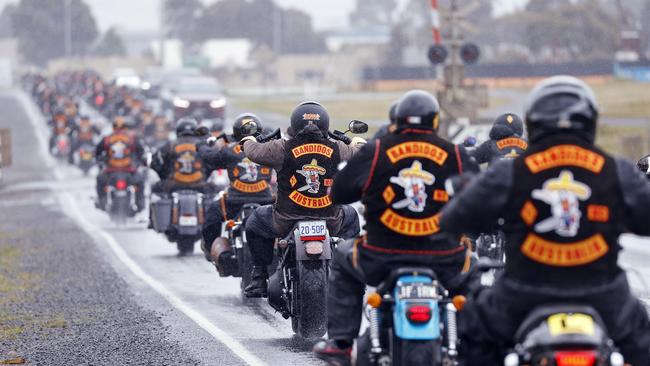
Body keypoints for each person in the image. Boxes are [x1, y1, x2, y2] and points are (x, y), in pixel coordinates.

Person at [439, 76, 650, 365]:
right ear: (590, 121)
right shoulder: (616, 169)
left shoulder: (511, 171)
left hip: (523, 292)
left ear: (535, 121)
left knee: (472, 338)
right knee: (642, 342)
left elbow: (453, 219)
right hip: (603, 293)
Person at [311, 90, 479, 365]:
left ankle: (341, 342)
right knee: (471, 266)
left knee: (342, 254)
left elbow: (339, 193)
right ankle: (473, 341)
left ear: (396, 121)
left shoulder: (377, 151)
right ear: (434, 121)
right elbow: (480, 199)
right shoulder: (455, 154)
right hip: (444, 259)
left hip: (380, 256)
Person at [240, 101, 364, 298]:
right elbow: (361, 154)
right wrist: (355, 141)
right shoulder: (339, 148)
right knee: (352, 216)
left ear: (295, 123)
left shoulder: (281, 148)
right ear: (325, 124)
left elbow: (253, 152)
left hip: (285, 220)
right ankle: (353, 274)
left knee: (254, 222)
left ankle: (259, 277)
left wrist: (247, 140)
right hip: (331, 221)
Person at [197, 113, 275, 269]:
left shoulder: (229, 150)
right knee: (284, 217)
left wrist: (202, 144)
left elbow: (208, 157)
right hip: (265, 201)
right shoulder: (270, 149)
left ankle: (211, 250)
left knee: (211, 217)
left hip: (234, 201)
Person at [150, 117, 215, 197]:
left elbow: (155, 162)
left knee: (153, 189)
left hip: (173, 185)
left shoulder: (169, 145)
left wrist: (165, 176)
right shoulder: (203, 146)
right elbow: (213, 163)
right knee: (219, 192)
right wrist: (204, 177)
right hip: (200, 185)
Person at [95, 116, 146, 210]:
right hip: (129, 171)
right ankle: (140, 204)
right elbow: (141, 152)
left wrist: (100, 163)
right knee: (140, 182)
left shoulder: (107, 139)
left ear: (113, 127)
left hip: (110, 172)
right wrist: (139, 163)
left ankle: (101, 202)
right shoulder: (132, 139)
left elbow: (98, 152)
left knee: (99, 180)